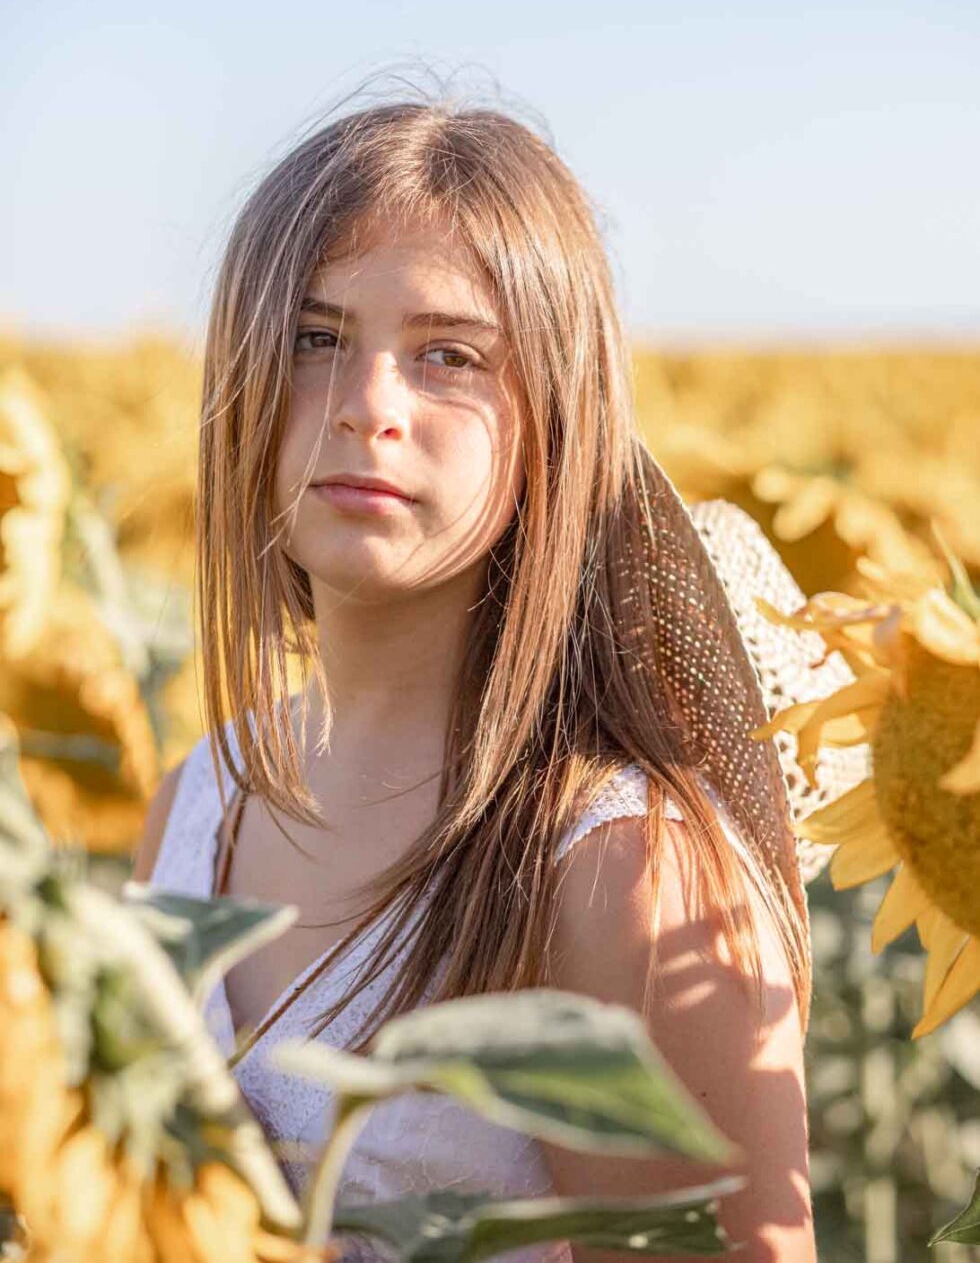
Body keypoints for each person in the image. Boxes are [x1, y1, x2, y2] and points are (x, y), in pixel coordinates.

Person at [130, 83, 867, 1263]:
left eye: (449, 356)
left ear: (551, 427)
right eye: (317, 339)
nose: (369, 407)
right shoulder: (196, 799)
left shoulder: (618, 871)